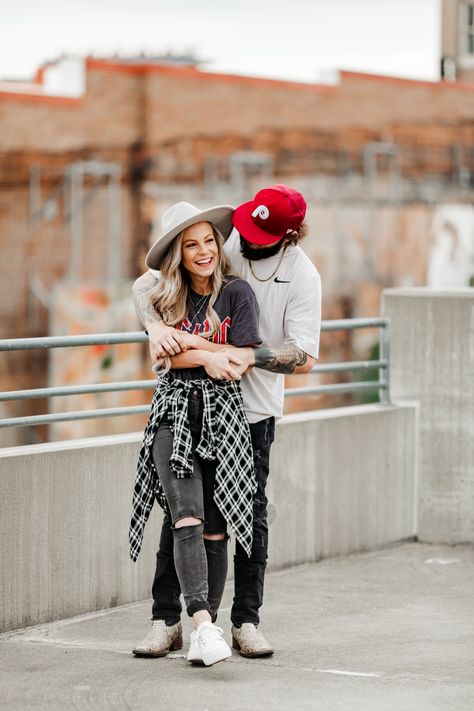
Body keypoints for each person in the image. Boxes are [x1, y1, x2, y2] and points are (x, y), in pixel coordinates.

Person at [132, 184, 322, 657]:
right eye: (245, 227)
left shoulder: (302, 275)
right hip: (193, 406)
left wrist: (244, 354)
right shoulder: (224, 239)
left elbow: (304, 356)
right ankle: (167, 620)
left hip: (253, 411)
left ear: (291, 234)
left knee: (248, 517)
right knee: (180, 516)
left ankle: (244, 621)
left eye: (262, 233)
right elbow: (147, 284)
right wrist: (156, 328)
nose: (246, 240)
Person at [129, 201, 262, 666]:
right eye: (191, 244)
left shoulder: (237, 293)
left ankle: (208, 623)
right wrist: (183, 343)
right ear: (178, 254)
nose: (203, 251)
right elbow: (162, 361)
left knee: (216, 528)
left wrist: (193, 346)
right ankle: (202, 625)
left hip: (224, 415)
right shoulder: (163, 296)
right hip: (173, 413)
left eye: (209, 240)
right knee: (185, 516)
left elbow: (237, 360)